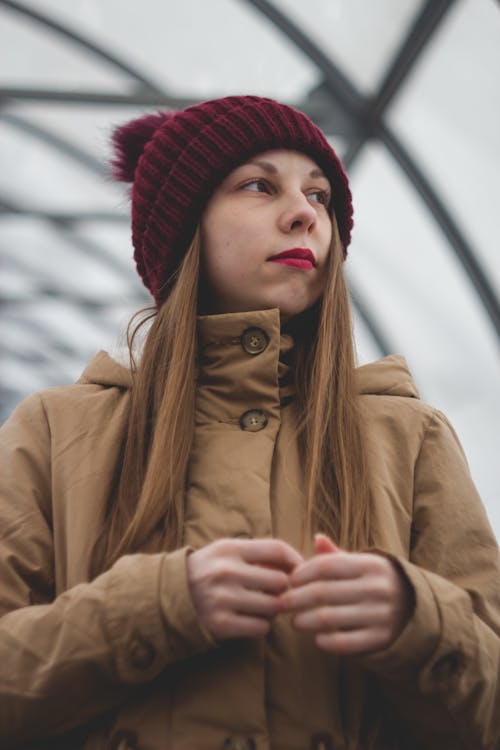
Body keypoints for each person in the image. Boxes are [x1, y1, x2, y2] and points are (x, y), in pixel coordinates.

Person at [0, 95, 498, 750]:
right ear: (184, 225)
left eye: (320, 197)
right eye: (260, 185)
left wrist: (419, 622)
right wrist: (155, 607)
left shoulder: (411, 437)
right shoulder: (54, 431)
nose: (304, 214)